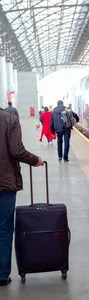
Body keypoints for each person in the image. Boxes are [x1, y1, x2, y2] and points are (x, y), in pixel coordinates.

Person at [0, 108, 43, 286]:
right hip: (4, 180)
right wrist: (35, 160)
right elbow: (16, 150)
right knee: (3, 227)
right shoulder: (9, 119)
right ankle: (2, 275)